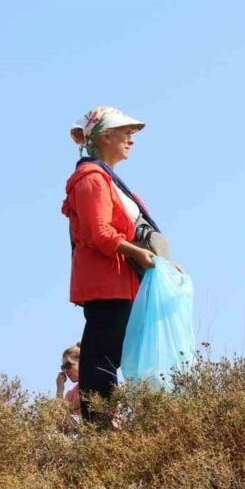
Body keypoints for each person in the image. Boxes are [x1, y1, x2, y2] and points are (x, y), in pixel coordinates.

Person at [62, 106, 161, 427]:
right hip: (109, 281)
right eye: (125, 132)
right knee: (101, 356)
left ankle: (103, 423)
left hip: (119, 280)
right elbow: (98, 232)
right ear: (105, 137)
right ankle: (101, 426)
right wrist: (138, 254)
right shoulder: (92, 179)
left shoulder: (104, 179)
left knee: (104, 353)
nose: (131, 139)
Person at [55, 342, 82, 414]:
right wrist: (60, 388)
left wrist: (64, 408)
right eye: (63, 367)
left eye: (68, 365)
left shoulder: (96, 382)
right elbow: (57, 416)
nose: (65, 370)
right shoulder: (71, 393)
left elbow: (84, 400)